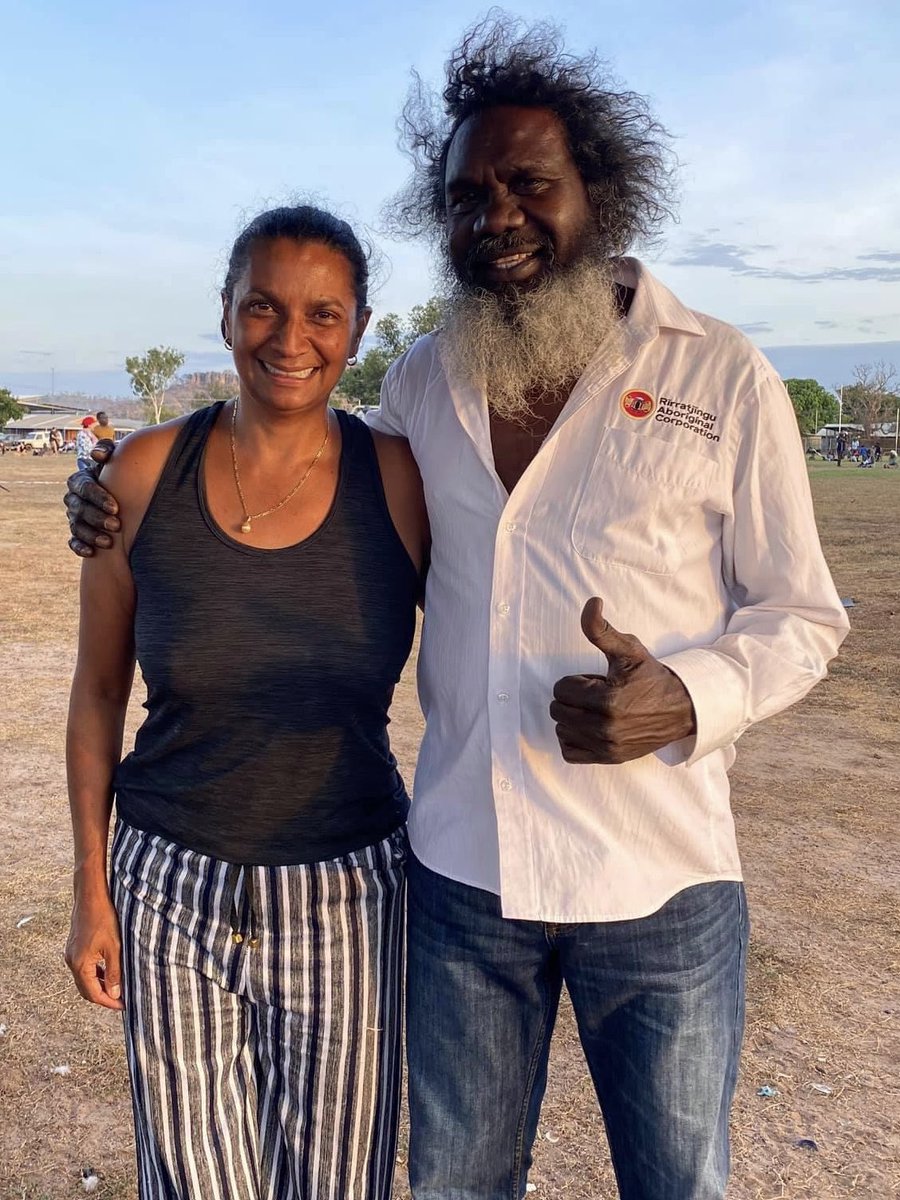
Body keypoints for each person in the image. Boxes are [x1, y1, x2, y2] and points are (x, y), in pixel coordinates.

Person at [64, 17, 849, 1200]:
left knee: (679, 1181)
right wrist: (106, 483)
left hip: (660, 875)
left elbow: (804, 615)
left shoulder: (717, 373)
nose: (498, 217)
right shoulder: (427, 383)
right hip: (463, 879)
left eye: (529, 184)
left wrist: (691, 695)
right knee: (453, 1184)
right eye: (468, 196)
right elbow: (302, 464)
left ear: (599, 193)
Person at [64, 204, 428, 1199]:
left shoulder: (400, 480)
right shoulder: (143, 473)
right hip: (168, 887)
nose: (290, 338)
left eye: (324, 313)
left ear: (358, 329)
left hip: (348, 897)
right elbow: (98, 693)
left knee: (337, 1181)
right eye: (263, 306)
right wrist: (91, 887)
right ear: (226, 313)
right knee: (193, 1181)